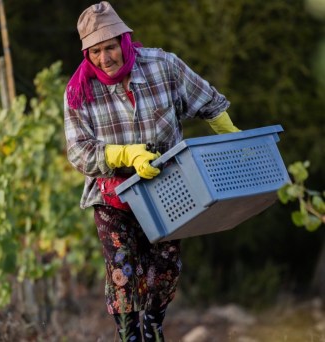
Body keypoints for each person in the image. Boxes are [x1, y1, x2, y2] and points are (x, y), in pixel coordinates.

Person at [64, 2, 240, 341]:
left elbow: (210, 103)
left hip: (168, 191)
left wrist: (235, 141)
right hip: (113, 196)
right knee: (122, 273)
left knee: (166, 267)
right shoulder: (79, 92)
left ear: (125, 40)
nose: (105, 58)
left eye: (111, 47)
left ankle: (153, 326)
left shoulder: (163, 66)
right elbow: (78, 151)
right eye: (96, 51)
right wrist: (124, 154)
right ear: (88, 53)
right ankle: (129, 336)